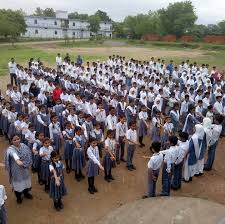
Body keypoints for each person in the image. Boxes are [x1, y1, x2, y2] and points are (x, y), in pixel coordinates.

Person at [5, 134, 33, 204]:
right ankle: (18, 197)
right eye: (14, 140)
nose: (17, 141)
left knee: (26, 182)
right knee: (18, 184)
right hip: (16, 170)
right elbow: (13, 154)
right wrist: (17, 160)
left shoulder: (24, 146)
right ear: (11, 141)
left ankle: (26, 194)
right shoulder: (10, 149)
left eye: (18, 139)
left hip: (24, 168)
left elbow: (29, 153)